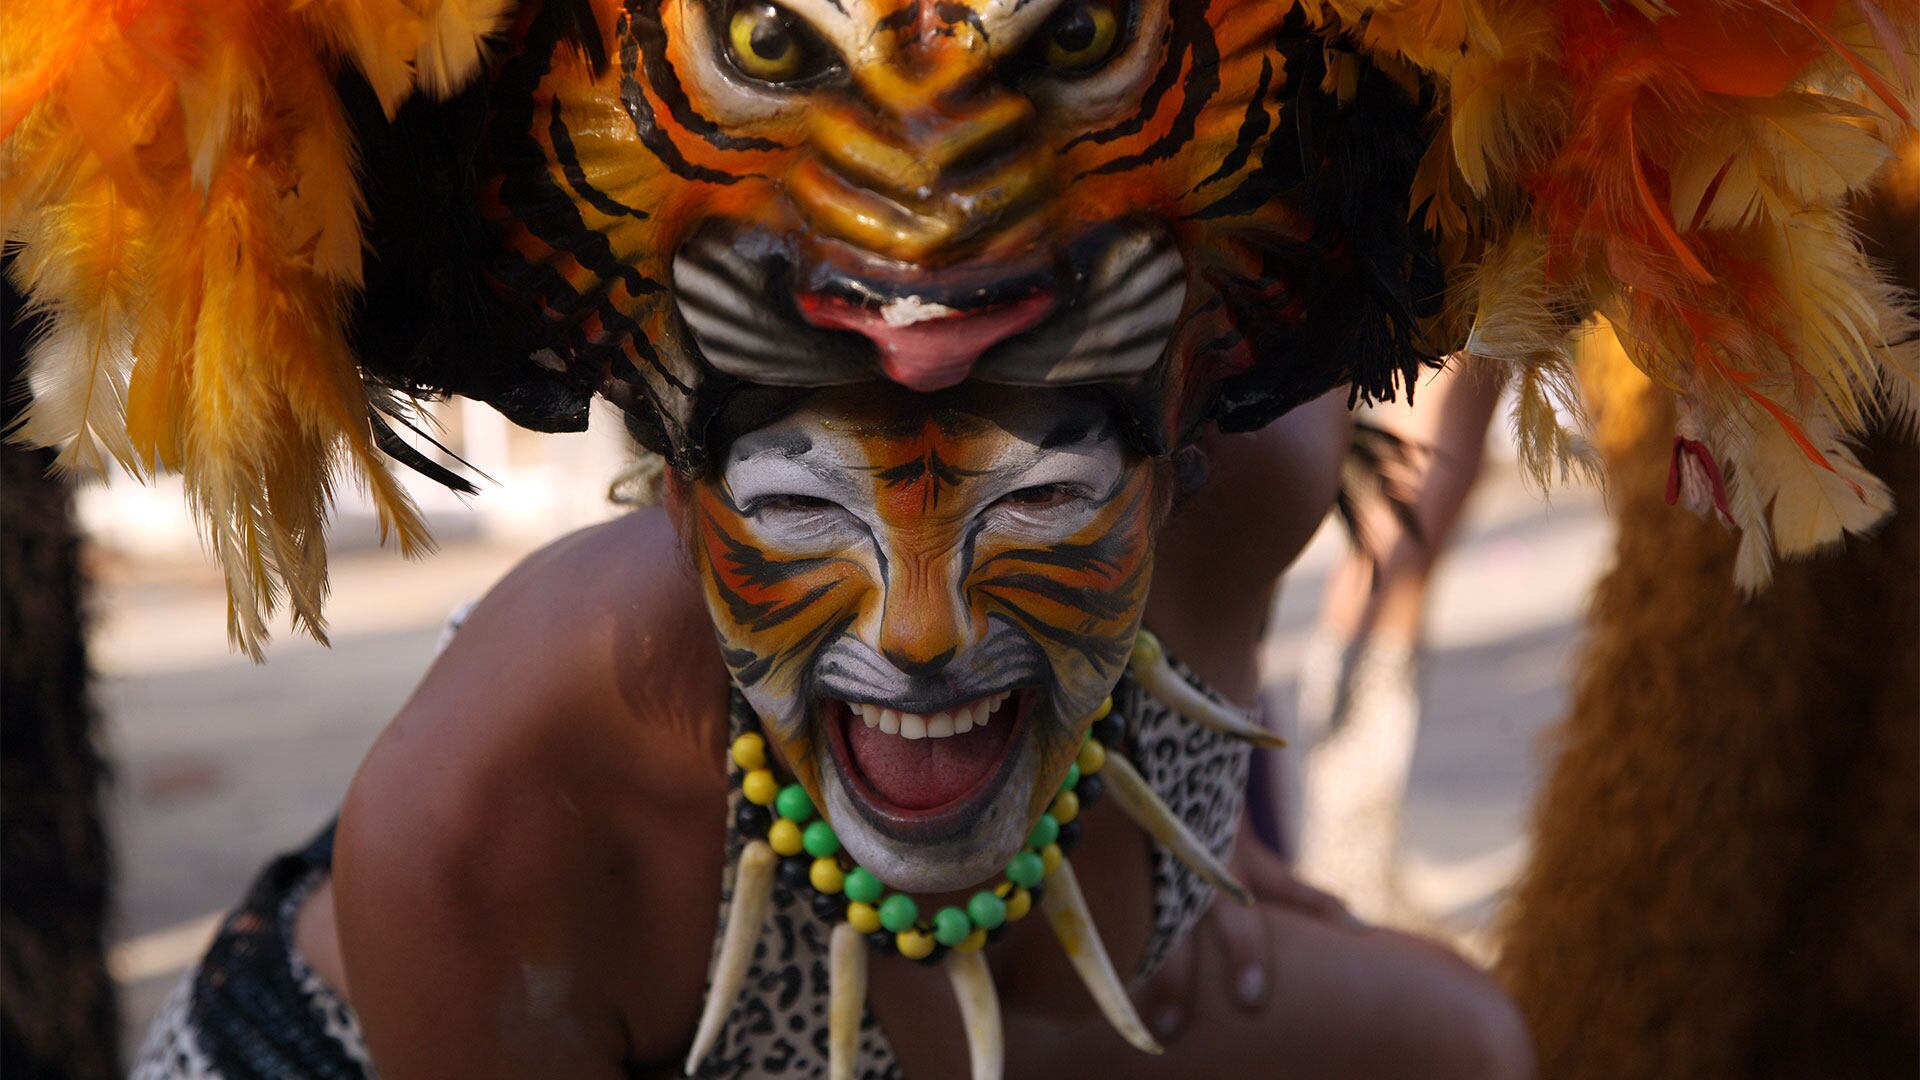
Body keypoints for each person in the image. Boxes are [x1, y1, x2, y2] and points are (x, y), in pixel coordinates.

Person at [8, 1, 1909, 1077]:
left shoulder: (1254, 474)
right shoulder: (496, 807)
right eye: (818, 504)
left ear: (1177, 440)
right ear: (679, 481)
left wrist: (1204, 898)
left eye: (1037, 498)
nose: (918, 639)